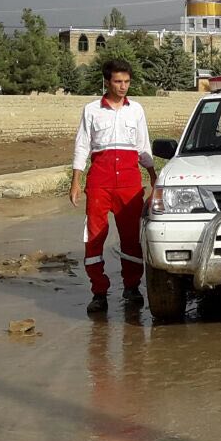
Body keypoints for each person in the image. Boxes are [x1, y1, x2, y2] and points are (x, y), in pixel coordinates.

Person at [71, 59, 157, 314]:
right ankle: (98, 292)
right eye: (118, 82)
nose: (123, 87)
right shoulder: (91, 110)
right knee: (95, 237)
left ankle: (132, 288)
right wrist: (76, 181)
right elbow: (82, 146)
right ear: (107, 82)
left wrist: (153, 174)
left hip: (130, 184)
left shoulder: (136, 110)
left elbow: (143, 146)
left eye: (127, 82)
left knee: (132, 238)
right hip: (99, 182)